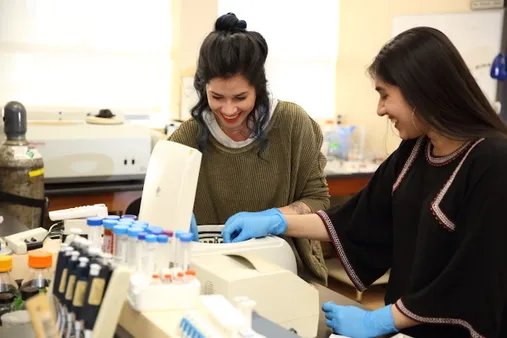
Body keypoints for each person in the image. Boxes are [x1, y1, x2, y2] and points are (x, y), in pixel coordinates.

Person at [221, 26, 507, 338]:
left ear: (420, 90)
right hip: (405, 329)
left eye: (385, 95)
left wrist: (379, 320)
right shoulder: (414, 151)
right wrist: (277, 221)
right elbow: (355, 220)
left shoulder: (493, 162)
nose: (380, 109)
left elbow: (474, 278)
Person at [167, 13, 330, 284]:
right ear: (202, 87)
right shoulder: (187, 138)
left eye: (240, 97)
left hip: (286, 270)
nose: (229, 110)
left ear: (259, 88)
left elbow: (318, 200)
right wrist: (174, 217)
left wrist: (275, 218)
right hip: (209, 275)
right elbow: (161, 205)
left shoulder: (292, 124)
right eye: (216, 97)